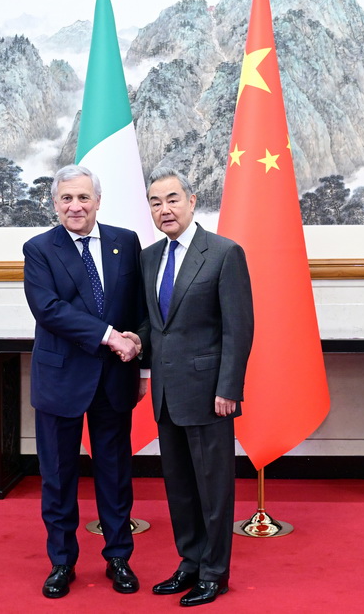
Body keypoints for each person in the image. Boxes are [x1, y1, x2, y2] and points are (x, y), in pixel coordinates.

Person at [23, 165, 146, 599]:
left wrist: (142, 365)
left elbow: (138, 309)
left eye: (83, 197)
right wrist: (110, 336)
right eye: (66, 199)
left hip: (115, 377)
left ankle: (119, 557)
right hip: (60, 380)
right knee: (58, 476)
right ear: (55, 204)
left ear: (97, 200)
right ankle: (62, 562)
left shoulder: (125, 242)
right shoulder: (39, 249)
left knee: (115, 474)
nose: (75, 206)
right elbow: (49, 309)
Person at [137, 167, 254, 607]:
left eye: (172, 199)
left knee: (213, 489)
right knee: (180, 487)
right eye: (155, 202)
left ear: (191, 200)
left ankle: (214, 573)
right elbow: (155, 325)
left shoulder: (224, 253)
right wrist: (134, 349)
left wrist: (229, 388)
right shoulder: (149, 257)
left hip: (209, 394)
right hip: (167, 394)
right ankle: (189, 563)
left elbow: (238, 329)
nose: (164, 209)